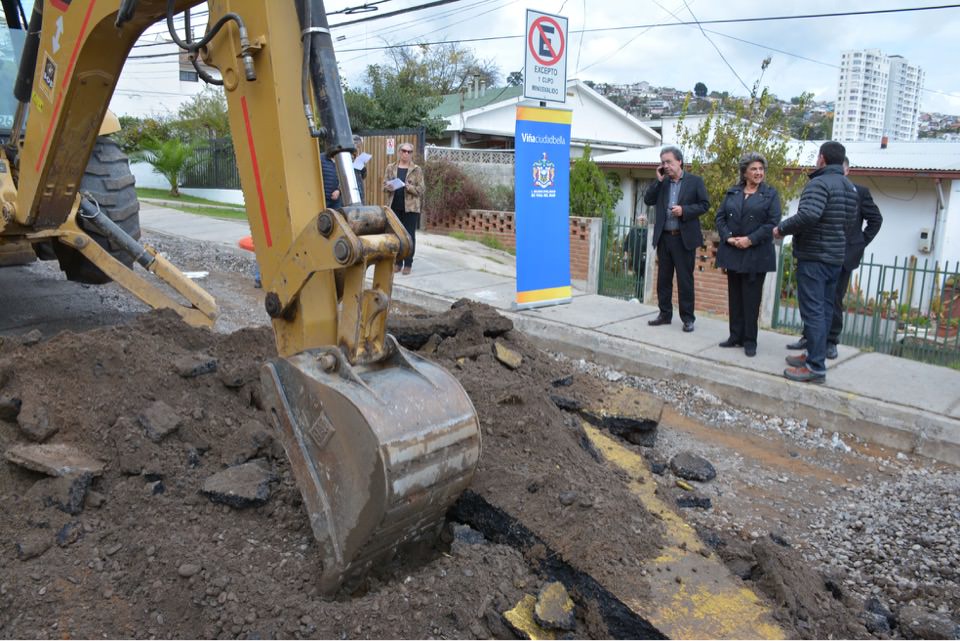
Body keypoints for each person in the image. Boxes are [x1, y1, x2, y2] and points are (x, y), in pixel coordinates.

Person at [773, 141, 858, 384]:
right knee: (825, 310)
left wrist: (781, 228)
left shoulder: (819, 183)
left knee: (813, 312)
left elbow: (809, 215)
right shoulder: (849, 187)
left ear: (821, 158)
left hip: (815, 256)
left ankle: (815, 367)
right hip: (834, 257)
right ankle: (813, 354)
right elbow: (850, 221)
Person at [786, 156, 883, 359]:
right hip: (820, 253)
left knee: (833, 300)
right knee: (813, 301)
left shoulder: (858, 192)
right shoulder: (822, 186)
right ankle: (810, 338)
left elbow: (876, 220)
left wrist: (859, 243)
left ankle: (830, 341)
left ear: (847, 171)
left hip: (843, 256)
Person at [715, 152, 781, 357]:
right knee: (735, 298)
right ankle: (735, 336)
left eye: (761, 169)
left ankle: (750, 340)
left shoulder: (770, 194)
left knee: (751, 300)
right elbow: (720, 218)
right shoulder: (733, 192)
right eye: (754, 169)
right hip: (733, 252)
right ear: (744, 172)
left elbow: (772, 222)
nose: (758, 172)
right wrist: (728, 238)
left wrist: (750, 239)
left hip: (756, 254)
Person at [644, 145, 710, 332]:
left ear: (679, 161)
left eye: (669, 162)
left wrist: (684, 210)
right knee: (663, 280)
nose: (666, 166)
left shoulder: (694, 181)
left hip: (683, 239)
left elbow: (705, 205)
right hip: (664, 238)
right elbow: (648, 200)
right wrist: (658, 181)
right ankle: (664, 314)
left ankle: (688, 318)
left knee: (684, 280)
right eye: (663, 162)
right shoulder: (662, 183)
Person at [383, 143, 424, 274]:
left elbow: (421, 190)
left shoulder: (416, 169)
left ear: (411, 154)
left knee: (409, 236)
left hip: (411, 209)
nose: (406, 153)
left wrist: (408, 187)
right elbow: (384, 185)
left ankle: (408, 263)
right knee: (397, 235)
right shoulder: (391, 167)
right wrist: (388, 187)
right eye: (404, 151)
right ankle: (398, 262)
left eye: (409, 151)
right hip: (394, 206)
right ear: (399, 152)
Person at [623, 213, 648, 300]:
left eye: (643, 220)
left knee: (645, 278)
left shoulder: (648, 231)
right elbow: (626, 243)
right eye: (641, 220)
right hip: (636, 258)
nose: (642, 221)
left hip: (646, 259)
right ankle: (638, 295)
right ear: (637, 221)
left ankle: (644, 296)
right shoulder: (633, 231)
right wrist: (625, 254)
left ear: (646, 221)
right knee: (637, 277)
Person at [352, 134, 366, 203]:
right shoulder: (346, 157)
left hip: (360, 192)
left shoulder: (357, 158)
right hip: (351, 193)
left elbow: (363, 176)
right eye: (357, 146)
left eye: (359, 147)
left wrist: (363, 167)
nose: (358, 149)